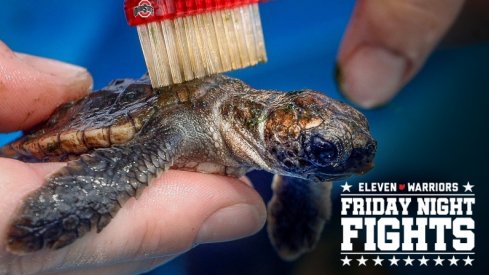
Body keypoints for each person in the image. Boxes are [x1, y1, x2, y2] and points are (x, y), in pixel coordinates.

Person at [0, 0, 487, 273]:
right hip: (88, 112)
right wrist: (44, 222)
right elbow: (120, 167)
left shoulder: (276, 143)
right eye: (320, 154)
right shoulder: (188, 123)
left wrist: (308, 170)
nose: (340, 166)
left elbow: (302, 162)